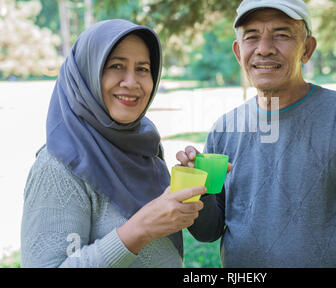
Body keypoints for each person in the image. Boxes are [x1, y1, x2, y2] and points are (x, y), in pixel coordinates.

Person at [177, 0, 336, 267]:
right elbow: (209, 230)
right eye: (252, 37)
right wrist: (197, 192)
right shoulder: (225, 129)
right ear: (238, 52)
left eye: (282, 35)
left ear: (307, 49)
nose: (265, 48)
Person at [20, 19, 206, 267]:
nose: (131, 82)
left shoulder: (144, 148)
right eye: (116, 66)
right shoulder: (57, 166)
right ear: (86, 74)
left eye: (142, 69)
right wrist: (139, 230)